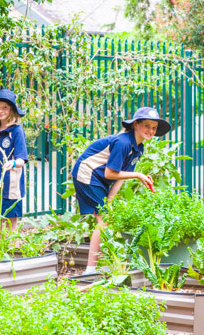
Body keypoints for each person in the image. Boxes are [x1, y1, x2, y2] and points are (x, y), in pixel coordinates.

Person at [71, 107, 171, 274]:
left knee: (108, 217)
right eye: (147, 126)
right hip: (87, 173)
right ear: (135, 125)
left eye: (154, 128)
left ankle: (98, 265)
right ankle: (90, 270)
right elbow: (110, 173)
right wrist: (138, 175)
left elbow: (118, 176)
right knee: (104, 221)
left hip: (99, 177)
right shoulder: (123, 142)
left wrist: (109, 200)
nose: (151, 131)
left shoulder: (138, 147)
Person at [0, 88, 29, 231]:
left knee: (9, 218)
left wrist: (12, 163)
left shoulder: (17, 131)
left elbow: (22, 159)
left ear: (12, 109)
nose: (0, 111)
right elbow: (1, 149)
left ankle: (9, 248)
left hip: (10, 182)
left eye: (5, 108)